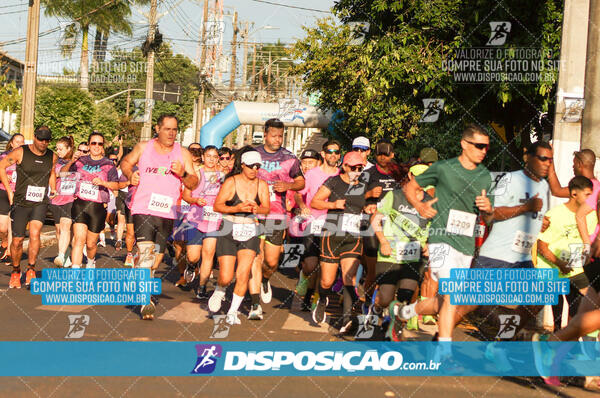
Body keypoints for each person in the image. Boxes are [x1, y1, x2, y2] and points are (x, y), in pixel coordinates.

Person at [393, 124, 494, 356]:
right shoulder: (444, 168)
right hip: (441, 238)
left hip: (465, 244)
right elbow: (411, 186)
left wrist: (488, 210)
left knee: (447, 300)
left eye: (487, 147)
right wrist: (419, 206)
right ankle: (444, 352)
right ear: (464, 144)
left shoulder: (485, 175)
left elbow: (489, 216)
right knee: (452, 294)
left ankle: (405, 313)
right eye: (479, 146)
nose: (483, 151)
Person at [450, 141, 552, 339]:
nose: (547, 163)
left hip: (521, 258)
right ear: (527, 157)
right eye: (542, 158)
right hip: (496, 256)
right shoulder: (510, 180)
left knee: (537, 300)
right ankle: (441, 338)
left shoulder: (544, 186)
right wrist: (525, 208)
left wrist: (540, 222)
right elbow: (492, 213)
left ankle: (504, 338)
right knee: (469, 303)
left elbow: (534, 217)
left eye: (550, 159)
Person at [120, 114, 198, 320]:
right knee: (146, 253)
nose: (171, 133)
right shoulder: (143, 147)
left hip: (167, 213)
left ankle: (145, 276)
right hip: (143, 209)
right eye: (167, 129)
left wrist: (182, 174)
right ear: (157, 129)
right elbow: (126, 162)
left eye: (175, 129)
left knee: (156, 261)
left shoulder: (182, 153)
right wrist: (130, 175)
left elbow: (193, 183)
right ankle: (146, 299)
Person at [310, 151, 374, 332]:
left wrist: (369, 207)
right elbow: (315, 202)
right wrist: (333, 205)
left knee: (349, 278)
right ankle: (323, 299)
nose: (357, 171)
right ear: (344, 166)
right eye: (353, 167)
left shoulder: (363, 185)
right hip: (332, 236)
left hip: (353, 237)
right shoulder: (334, 182)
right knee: (326, 281)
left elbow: (365, 205)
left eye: (360, 168)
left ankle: (346, 319)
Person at [250, 118, 305, 319]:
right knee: (256, 256)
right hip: (254, 213)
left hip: (277, 214)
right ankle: (253, 299)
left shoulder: (289, 158)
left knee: (272, 262)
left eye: (280, 136)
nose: (277, 139)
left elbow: (300, 182)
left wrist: (288, 186)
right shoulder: (253, 154)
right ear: (265, 134)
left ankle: (265, 279)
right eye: (273, 135)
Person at [209, 148, 270, 325]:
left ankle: (233, 311)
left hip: (250, 230)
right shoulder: (231, 182)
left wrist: (257, 209)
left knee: (243, 273)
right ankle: (220, 290)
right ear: (242, 165)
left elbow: (267, 208)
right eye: (251, 166)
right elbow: (217, 206)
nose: (254, 170)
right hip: (229, 227)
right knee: (227, 276)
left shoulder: (262, 185)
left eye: (258, 166)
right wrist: (237, 208)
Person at [370, 169, 431, 341]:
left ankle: (393, 329)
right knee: (386, 298)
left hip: (413, 256)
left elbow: (431, 226)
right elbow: (375, 218)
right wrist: (383, 241)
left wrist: (427, 244)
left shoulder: (430, 201)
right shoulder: (395, 196)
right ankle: (376, 308)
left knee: (405, 296)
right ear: (411, 176)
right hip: (390, 254)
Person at [0, 126, 57, 289]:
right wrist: (9, 191)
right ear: (35, 137)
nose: (43, 143)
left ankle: (31, 268)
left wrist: (53, 188)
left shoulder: (52, 156)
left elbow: (52, 172)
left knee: (35, 233)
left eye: (47, 140)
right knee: (17, 240)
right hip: (20, 202)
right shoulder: (20, 152)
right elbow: (1, 167)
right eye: (41, 139)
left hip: (40, 202)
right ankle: (16, 271)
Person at [536, 176, 597, 328]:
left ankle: (574, 339)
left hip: (575, 269)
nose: (591, 199)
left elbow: (589, 240)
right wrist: (560, 263)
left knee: (585, 300)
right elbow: (541, 245)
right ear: (574, 194)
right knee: (556, 304)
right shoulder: (555, 214)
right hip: (552, 267)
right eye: (587, 195)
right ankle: (557, 335)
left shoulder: (591, 215)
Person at [61, 132, 120, 269]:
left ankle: (91, 261)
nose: (96, 146)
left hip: (97, 208)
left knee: (91, 243)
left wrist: (103, 183)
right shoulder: (80, 161)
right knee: (79, 240)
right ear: (89, 145)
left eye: (100, 143)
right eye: (94, 143)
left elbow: (116, 186)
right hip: (80, 204)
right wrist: (71, 161)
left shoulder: (108, 164)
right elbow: (62, 175)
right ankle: (75, 273)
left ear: (103, 146)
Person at [294, 142, 341, 309]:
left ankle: (312, 298)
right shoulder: (312, 174)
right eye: (330, 151)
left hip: (333, 225)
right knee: (311, 265)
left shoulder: (342, 175)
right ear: (323, 154)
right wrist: (302, 206)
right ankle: (304, 276)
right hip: (312, 222)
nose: (333, 155)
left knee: (325, 264)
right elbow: (299, 194)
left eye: (336, 152)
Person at [362, 141, 403, 313]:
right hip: (373, 224)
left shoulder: (400, 174)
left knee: (393, 269)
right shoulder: (368, 173)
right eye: (379, 154)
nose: (383, 157)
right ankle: (367, 304)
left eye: (386, 154)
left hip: (394, 228)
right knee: (372, 270)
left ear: (392, 155)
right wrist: (369, 195)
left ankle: (387, 305)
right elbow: (352, 196)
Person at [183, 145, 225, 299]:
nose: (211, 159)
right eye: (209, 156)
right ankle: (191, 265)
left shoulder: (223, 176)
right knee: (194, 256)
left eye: (215, 157)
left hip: (214, 219)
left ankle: (202, 287)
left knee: (208, 254)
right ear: (203, 157)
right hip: (195, 219)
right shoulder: (196, 174)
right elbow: (185, 195)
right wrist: (195, 200)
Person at [50, 136, 77, 267]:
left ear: (69, 149)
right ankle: (66, 254)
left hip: (70, 199)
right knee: (59, 230)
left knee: (66, 226)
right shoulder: (57, 162)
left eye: (61, 149)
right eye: (57, 149)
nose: (58, 151)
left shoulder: (78, 163)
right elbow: (59, 173)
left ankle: (60, 255)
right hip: (57, 199)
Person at [0, 133, 24, 263]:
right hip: (4, 191)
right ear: (12, 143)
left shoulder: (25, 158)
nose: (20, 144)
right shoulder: (4, 156)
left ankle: (10, 251)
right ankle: (4, 241)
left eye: (22, 142)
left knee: (12, 224)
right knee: (2, 227)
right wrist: (3, 177)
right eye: (17, 141)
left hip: (19, 193)